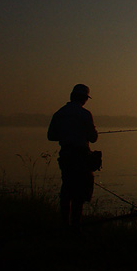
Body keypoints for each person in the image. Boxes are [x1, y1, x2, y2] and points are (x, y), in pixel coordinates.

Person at [47, 83, 99, 231]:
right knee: (80, 192)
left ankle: (65, 224)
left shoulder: (59, 113)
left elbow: (51, 136)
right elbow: (93, 138)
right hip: (81, 156)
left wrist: (66, 135)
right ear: (83, 99)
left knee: (67, 188)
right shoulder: (85, 114)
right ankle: (75, 225)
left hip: (66, 155)